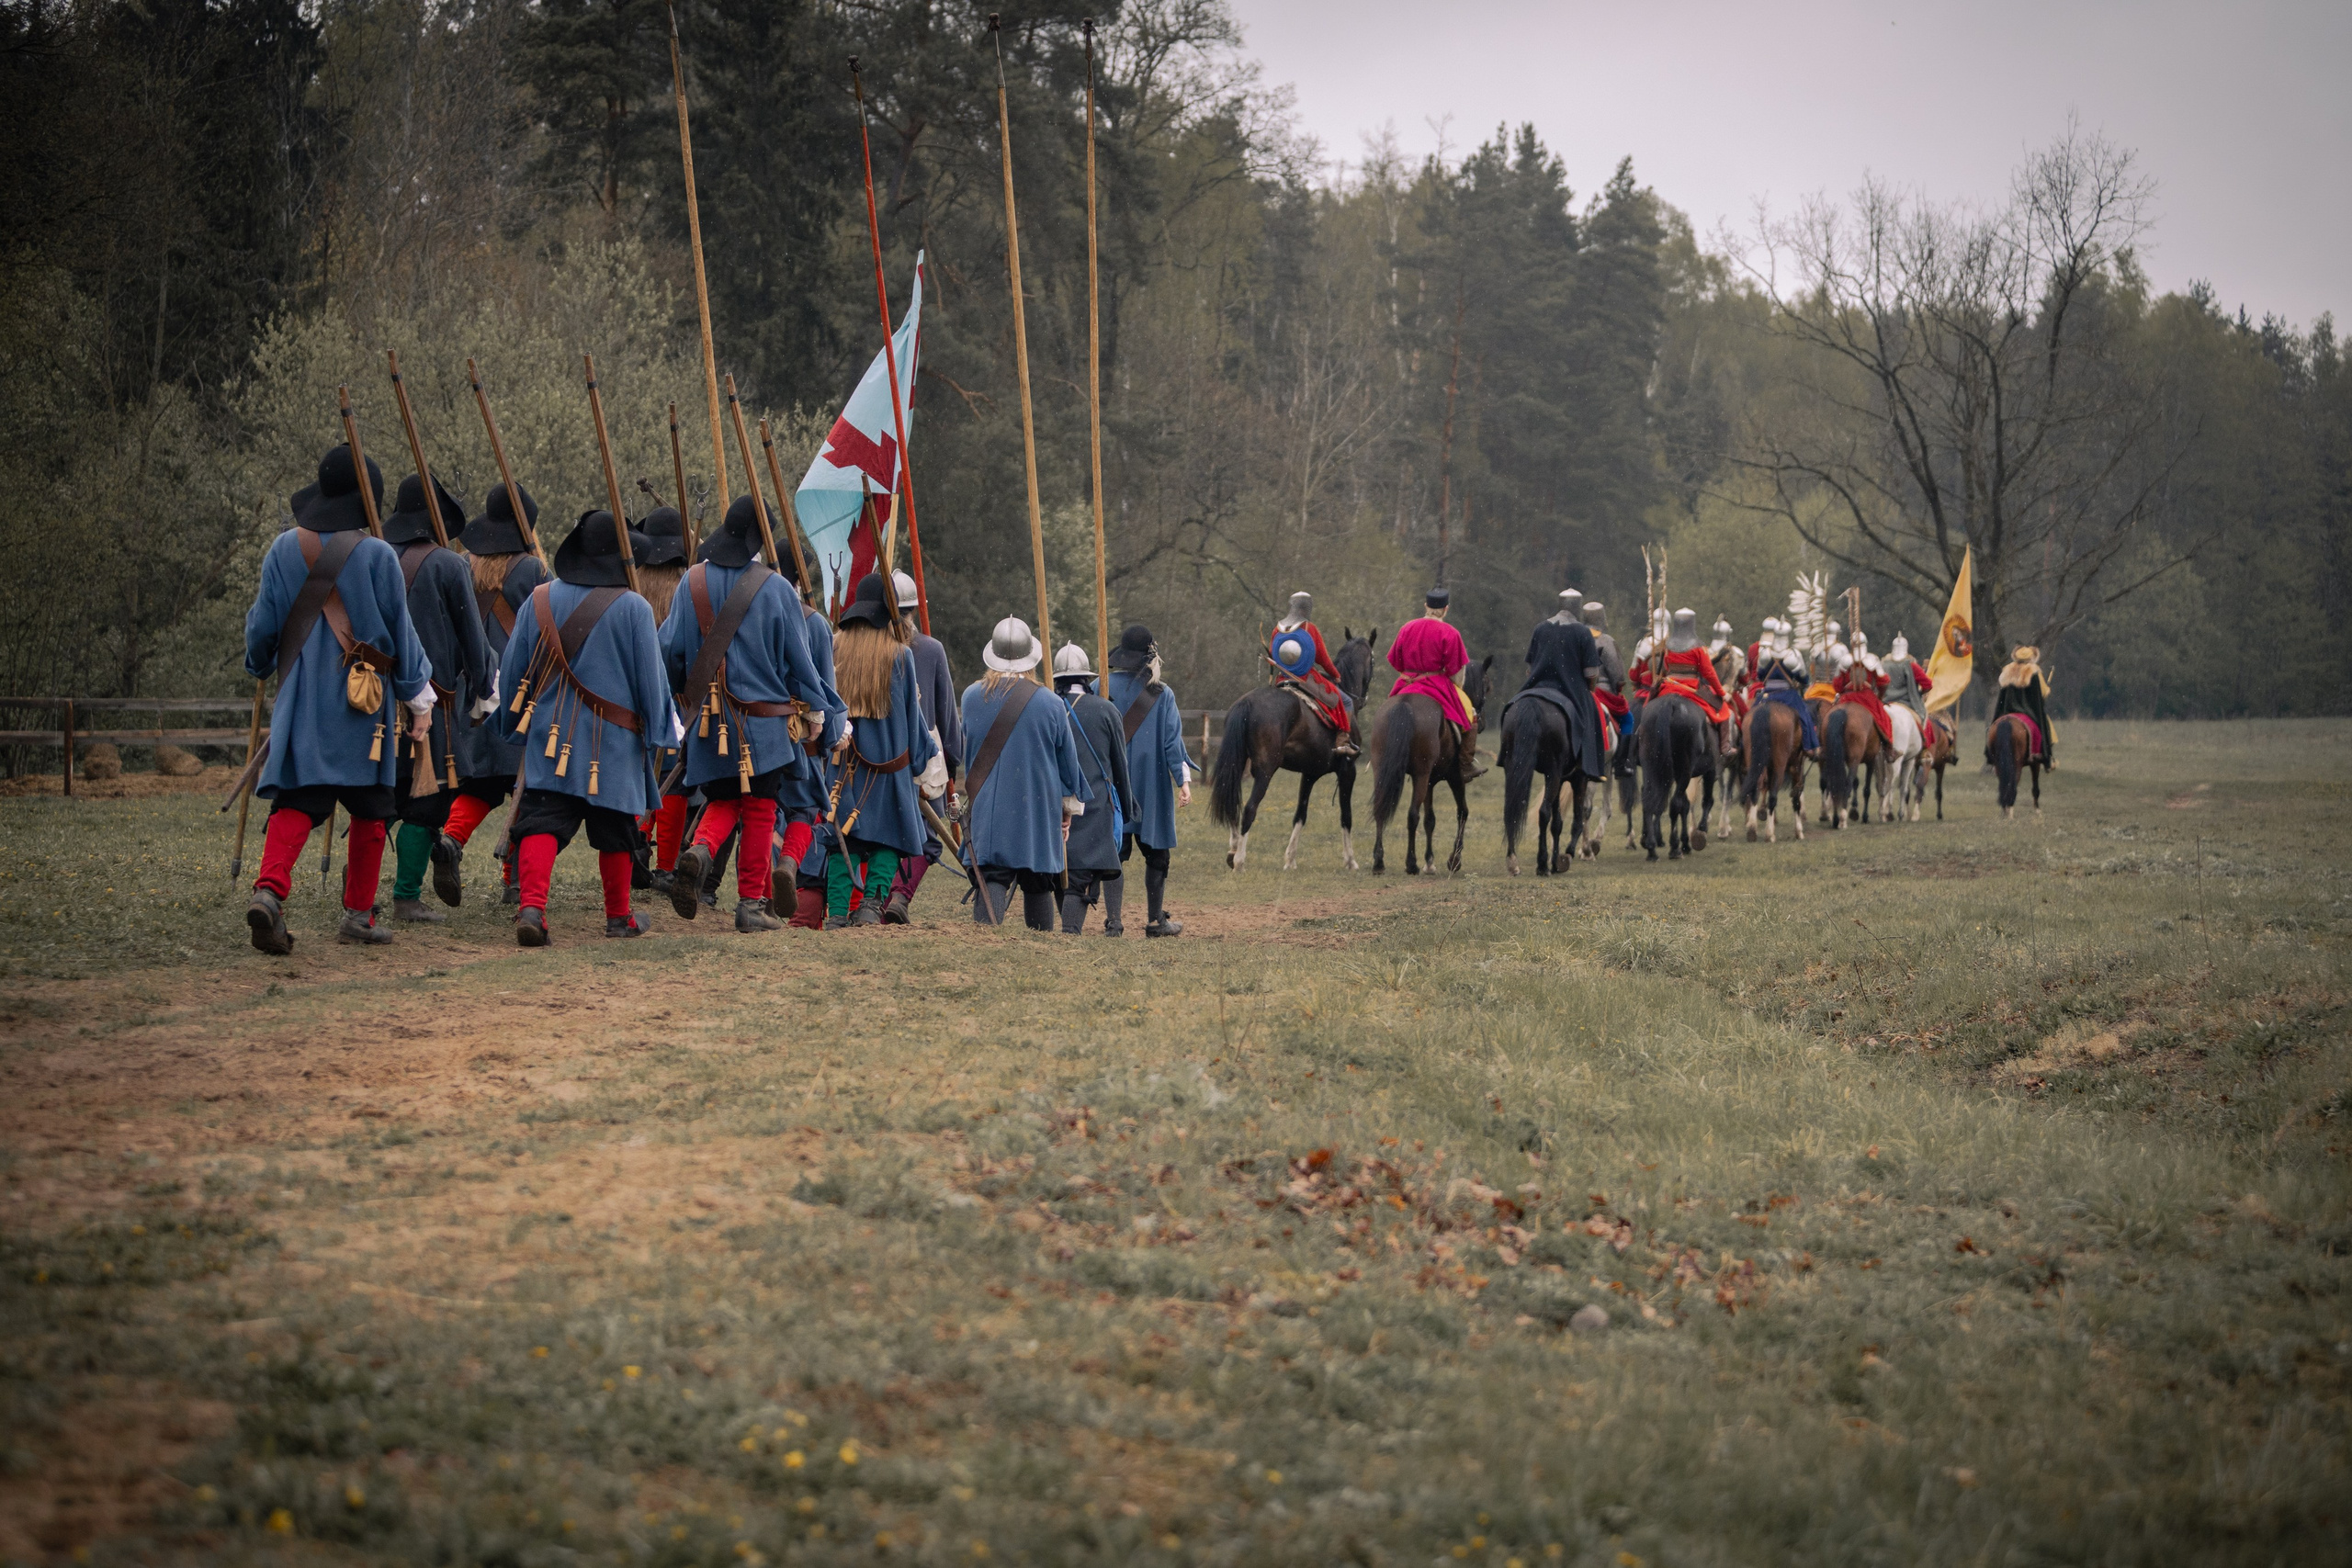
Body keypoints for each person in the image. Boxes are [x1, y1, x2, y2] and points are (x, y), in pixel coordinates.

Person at [242, 446, 435, 953]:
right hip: (362, 705)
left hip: (303, 701)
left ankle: (269, 893)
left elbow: (263, 627)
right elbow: (400, 631)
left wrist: (260, 662)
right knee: (372, 807)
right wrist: (419, 700)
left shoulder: (283, 548)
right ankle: (358, 915)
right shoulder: (377, 555)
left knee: (299, 800)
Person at [658, 495, 842, 932]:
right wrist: (819, 709)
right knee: (759, 808)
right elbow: (800, 661)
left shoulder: (692, 582)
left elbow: (669, 651)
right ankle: (750, 906)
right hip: (764, 726)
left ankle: (701, 848)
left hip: (708, 721)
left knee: (723, 799)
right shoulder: (777, 588)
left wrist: (678, 700)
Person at [492, 511, 678, 944]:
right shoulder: (634, 607)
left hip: (551, 738)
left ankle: (532, 911)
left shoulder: (540, 598)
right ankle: (619, 919)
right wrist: (661, 734)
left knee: (540, 821)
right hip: (613, 745)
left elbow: (513, 670)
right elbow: (652, 681)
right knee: (616, 829)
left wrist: (510, 723)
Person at [379, 474, 496, 925]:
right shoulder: (449, 565)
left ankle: (361, 887)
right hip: (436, 702)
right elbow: (472, 635)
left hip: (376, 703)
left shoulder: (377, 555)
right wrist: (485, 686)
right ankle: (406, 896)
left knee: (379, 797)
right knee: (427, 804)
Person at [439, 480, 550, 908]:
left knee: (481, 787)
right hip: (521, 692)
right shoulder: (534, 570)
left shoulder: (464, 564)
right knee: (528, 788)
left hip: (474, 692)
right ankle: (515, 882)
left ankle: (450, 840)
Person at [819, 574, 945, 927]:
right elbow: (912, 718)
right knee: (892, 836)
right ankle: (873, 905)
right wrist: (923, 755)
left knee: (844, 840)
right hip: (889, 768)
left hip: (843, 768)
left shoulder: (835, 648)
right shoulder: (900, 655)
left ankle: (837, 914)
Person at [958, 618, 1088, 931]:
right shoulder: (1052, 703)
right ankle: (1038, 945)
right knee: (1038, 877)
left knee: (993, 873)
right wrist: (1066, 809)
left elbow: (969, 754)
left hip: (989, 803)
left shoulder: (970, 697)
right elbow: (1068, 763)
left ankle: (984, 936)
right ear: (1032, 657)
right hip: (1037, 804)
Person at [879, 570, 964, 923]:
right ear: (913, 611)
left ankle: (878, 901)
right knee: (926, 840)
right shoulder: (930, 650)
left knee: (880, 834)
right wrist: (951, 766)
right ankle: (896, 896)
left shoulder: (864, 649)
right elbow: (947, 719)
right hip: (918, 760)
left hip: (874, 757)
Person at [1104, 623, 1190, 938]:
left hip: (1112, 782)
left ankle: (1114, 922)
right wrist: (1183, 780)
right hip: (1151, 785)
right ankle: (1156, 921)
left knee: (1115, 851)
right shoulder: (1162, 693)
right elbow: (1171, 744)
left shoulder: (1102, 687)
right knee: (1157, 854)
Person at [1049, 644, 1136, 935]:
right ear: (1086, 678)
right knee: (1105, 858)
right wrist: (1127, 804)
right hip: (1097, 803)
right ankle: (1109, 922)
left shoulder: (1048, 707)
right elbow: (1119, 764)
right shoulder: (1107, 710)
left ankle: (1097, 923)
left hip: (1055, 803)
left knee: (1067, 866)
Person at [631, 505, 693, 892]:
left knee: (642, 771)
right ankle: (665, 866)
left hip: (634, 690)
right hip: (675, 692)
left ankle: (638, 843)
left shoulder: (632, 581)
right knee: (677, 778)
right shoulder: (688, 585)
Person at [1385, 586, 1484, 779]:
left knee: (1388, 713)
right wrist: (1456, 688)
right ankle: (1465, 764)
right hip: (1437, 684)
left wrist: (1411, 675)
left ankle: (1383, 753)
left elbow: (1396, 661)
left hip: (1407, 683)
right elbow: (1456, 670)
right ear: (1446, 609)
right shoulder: (1450, 632)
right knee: (1470, 714)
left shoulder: (1407, 627)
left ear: (1425, 606)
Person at [1517, 609, 1608, 782]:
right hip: (1571, 688)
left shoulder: (1540, 628)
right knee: (1594, 713)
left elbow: (1529, 668)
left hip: (1538, 684)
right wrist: (1589, 690)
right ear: (1578, 607)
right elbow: (1591, 673)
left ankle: (1509, 752)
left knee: (1513, 707)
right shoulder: (1582, 631)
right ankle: (1588, 763)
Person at [1269, 591, 1358, 758]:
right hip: (1306, 678)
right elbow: (1323, 659)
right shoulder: (1310, 628)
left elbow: (1274, 654)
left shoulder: (1277, 629)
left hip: (1283, 678)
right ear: (1306, 609)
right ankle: (1342, 739)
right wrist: (1335, 674)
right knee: (1345, 701)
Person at [1653, 608, 1736, 754]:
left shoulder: (1667, 645)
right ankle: (1725, 747)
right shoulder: (1698, 647)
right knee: (1723, 709)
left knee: (1649, 705)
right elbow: (1709, 673)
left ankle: (1640, 737)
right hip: (1692, 688)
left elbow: (1666, 666)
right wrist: (1721, 693)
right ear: (1692, 624)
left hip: (1669, 687)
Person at [1753, 624, 1820, 751]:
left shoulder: (1765, 653)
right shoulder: (1793, 653)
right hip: (1788, 695)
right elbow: (1804, 679)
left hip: (1768, 694)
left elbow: (1760, 676)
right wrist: (1800, 681)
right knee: (1805, 715)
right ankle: (1809, 747)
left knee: (1751, 717)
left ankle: (1744, 749)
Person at [1993, 645, 2056, 767]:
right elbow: (2042, 693)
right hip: (2028, 711)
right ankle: (2046, 757)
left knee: (1994, 725)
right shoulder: (2033, 671)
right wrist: (2047, 690)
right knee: (2044, 727)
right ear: (2032, 657)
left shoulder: (2007, 670)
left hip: (2007, 710)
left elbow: (2003, 696)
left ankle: (1990, 754)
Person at [1831, 637, 1894, 745]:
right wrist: (1879, 696)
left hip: (1846, 698)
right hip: (1867, 698)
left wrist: (1845, 691)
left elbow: (1837, 686)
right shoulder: (1872, 659)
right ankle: (1889, 747)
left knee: (1830, 718)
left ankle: (1823, 748)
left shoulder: (1844, 660)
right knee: (1884, 719)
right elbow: (1884, 681)